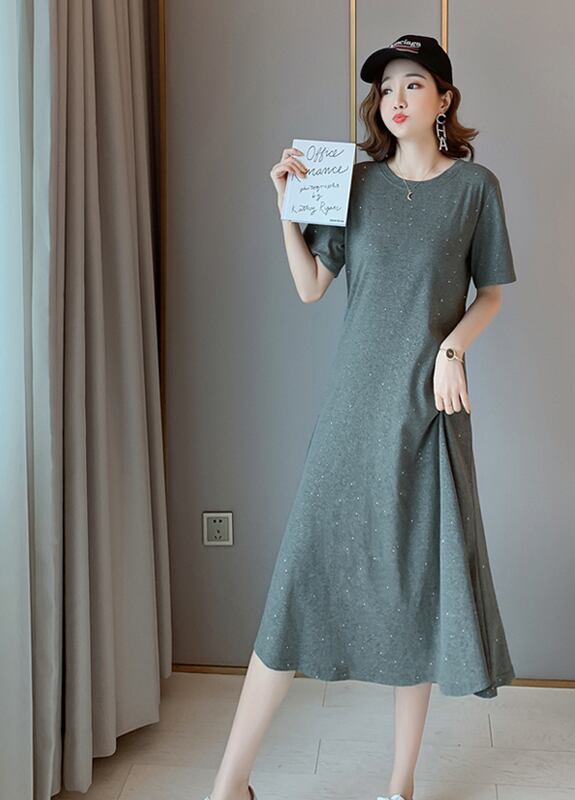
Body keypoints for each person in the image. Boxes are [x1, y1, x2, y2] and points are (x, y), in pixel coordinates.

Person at [204, 33, 517, 800]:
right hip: (352, 410)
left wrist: (452, 350)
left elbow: (491, 293)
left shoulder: (475, 189)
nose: (396, 99)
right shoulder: (352, 182)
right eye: (386, 88)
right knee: (296, 584)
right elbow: (312, 286)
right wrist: (285, 211)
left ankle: (400, 783)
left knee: (417, 586)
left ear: (444, 98)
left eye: (413, 84)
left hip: (428, 414)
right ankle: (229, 785)